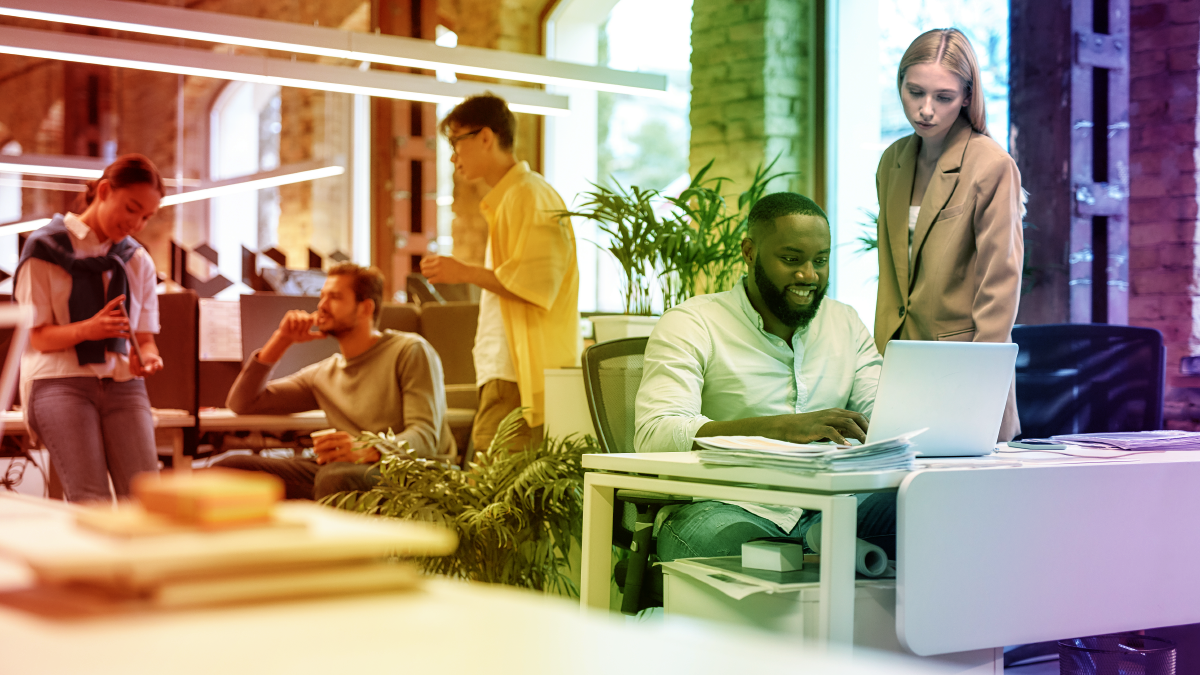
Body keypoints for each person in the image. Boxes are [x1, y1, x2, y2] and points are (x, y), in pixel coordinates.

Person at [636, 192, 894, 562]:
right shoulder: (693, 322)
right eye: (791, 260)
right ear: (749, 252)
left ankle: (817, 549)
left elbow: (881, 415)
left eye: (820, 260)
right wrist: (779, 429)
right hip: (729, 505)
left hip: (835, 501)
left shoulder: (844, 322)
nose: (809, 275)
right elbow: (655, 433)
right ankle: (821, 550)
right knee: (726, 545)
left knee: (925, 510)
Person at [875, 28, 1024, 441]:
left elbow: (1000, 288)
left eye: (942, 97)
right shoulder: (893, 162)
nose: (925, 110)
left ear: (966, 97)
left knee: (965, 502)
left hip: (967, 369)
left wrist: (980, 387)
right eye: (914, 92)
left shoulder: (991, 165)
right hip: (902, 364)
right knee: (899, 501)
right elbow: (891, 273)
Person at [420, 93, 579, 454]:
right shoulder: (512, 198)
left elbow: (537, 284)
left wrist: (464, 271)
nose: (453, 156)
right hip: (507, 373)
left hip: (517, 376)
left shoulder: (529, 195)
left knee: (493, 495)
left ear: (486, 138)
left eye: (456, 142)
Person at [214, 263, 454, 500]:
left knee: (335, 477)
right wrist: (281, 340)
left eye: (335, 297)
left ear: (365, 308)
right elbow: (242, 403)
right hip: (342, 472)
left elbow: (424, 438)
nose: (321, 306)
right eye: (322, 296)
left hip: (408, 473)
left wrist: (367, 449)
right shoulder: (325, 373)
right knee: (228, 468)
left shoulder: (409, 350)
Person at [15, 154, 165, 503]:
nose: (137, 223)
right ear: (104, 190)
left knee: (145, 499)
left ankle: (142, 561)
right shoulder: (44, 248)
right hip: (60, 382)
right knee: (90, 500)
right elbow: (36, 337)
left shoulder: (137, 259)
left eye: (146, 216)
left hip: (124, 383)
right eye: (131, 208)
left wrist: (150, 359)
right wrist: (88, 329)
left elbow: (145, 339)